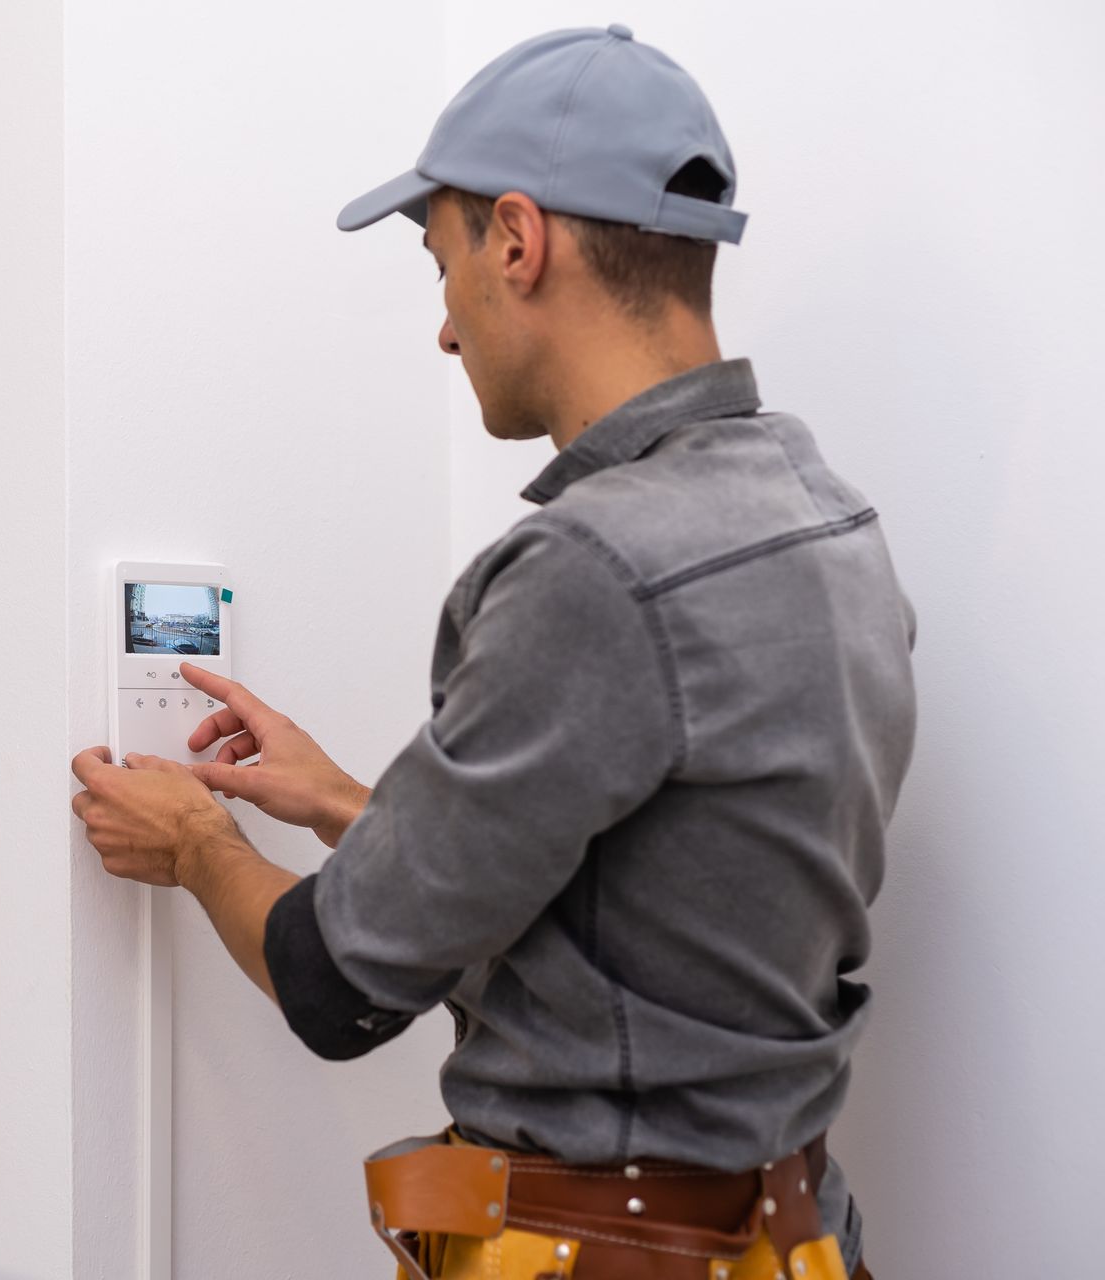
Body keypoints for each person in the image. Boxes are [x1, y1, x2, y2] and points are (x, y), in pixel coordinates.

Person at [68, 24, 911, 1280]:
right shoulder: (823, 514)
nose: (447, 329)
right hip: (793, 1238)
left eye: (442, 262)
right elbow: (652, 900)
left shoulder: (595, 564)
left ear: (518, 240)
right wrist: (353, 803)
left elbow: (336, 986)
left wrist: (196, 844)